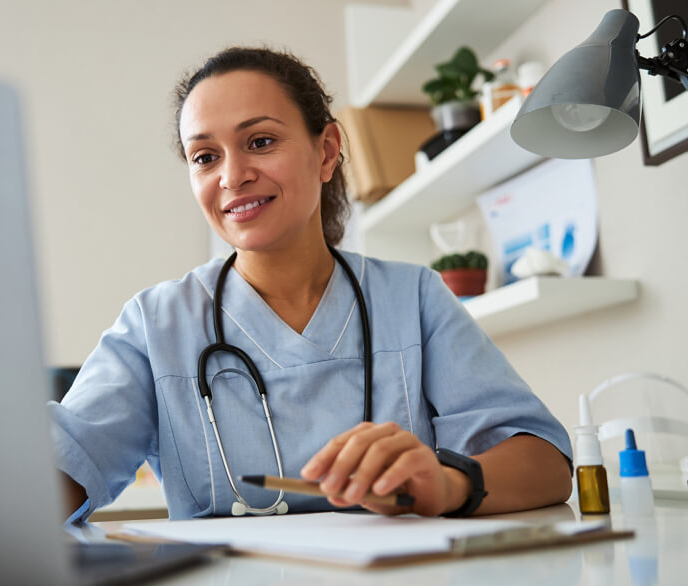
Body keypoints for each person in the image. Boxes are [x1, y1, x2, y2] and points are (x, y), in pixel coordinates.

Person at [49, 47, 573, 522]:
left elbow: (546, 463)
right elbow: (59, 473)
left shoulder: (412, 298)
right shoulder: (155, 324)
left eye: (260, 141)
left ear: (325, 152)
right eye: (204, 157)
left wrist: (447, 483)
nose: (232, 176)